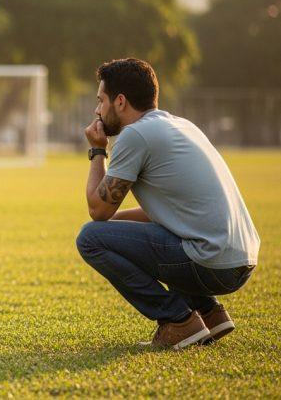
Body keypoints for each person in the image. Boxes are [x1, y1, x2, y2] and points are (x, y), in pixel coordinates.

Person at [77, 58, 260, 350]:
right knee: (110, 234)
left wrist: (97, 150)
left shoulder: (135, 135)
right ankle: (208, 313)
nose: (97, 110)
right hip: (240, 260)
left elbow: (97, 209)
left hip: (211, 263)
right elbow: (169, 214)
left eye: (100, 101)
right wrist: (115, 229)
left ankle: (178, 320)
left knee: (89, 238)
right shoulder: (181, 125)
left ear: (120, 101)